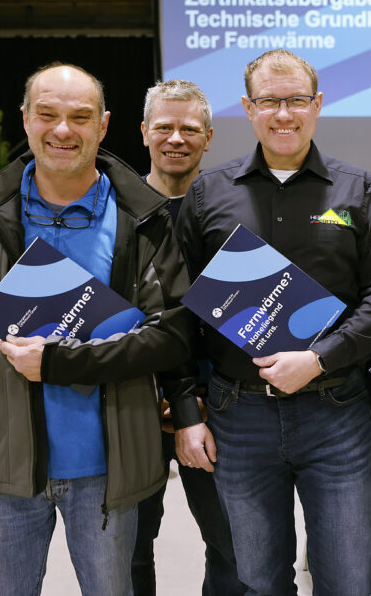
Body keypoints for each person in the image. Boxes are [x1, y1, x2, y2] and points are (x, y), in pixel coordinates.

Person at [0, 63, 199, 595]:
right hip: (1, 475)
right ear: (26, 120)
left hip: (109, 472)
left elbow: (172, 334)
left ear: (104, 125)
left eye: (81, 116)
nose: (63, 130)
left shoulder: (142, 218)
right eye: (47, 114)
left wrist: (60, 361)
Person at [175, 49, 371, 595]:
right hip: (238, 414)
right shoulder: (208, 193)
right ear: (248, 108)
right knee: (258, 581)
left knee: (346, 581)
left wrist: (319, 359)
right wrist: (186, 409)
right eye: (270, 101)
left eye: (297, 100)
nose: (284, 114)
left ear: (317, 104)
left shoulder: (358, 189)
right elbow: (178, 311)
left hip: (336, 412)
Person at [133, 79, 244, 596]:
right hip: (133, 401)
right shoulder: (115, 212)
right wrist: (159, 392)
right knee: (131, 547)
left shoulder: (234, 209)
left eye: (189, 129)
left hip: (218, 403)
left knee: (232, 546)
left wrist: (195, 397)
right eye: (164, 127)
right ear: (144, 132)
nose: (176, 138)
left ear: (209, 137)